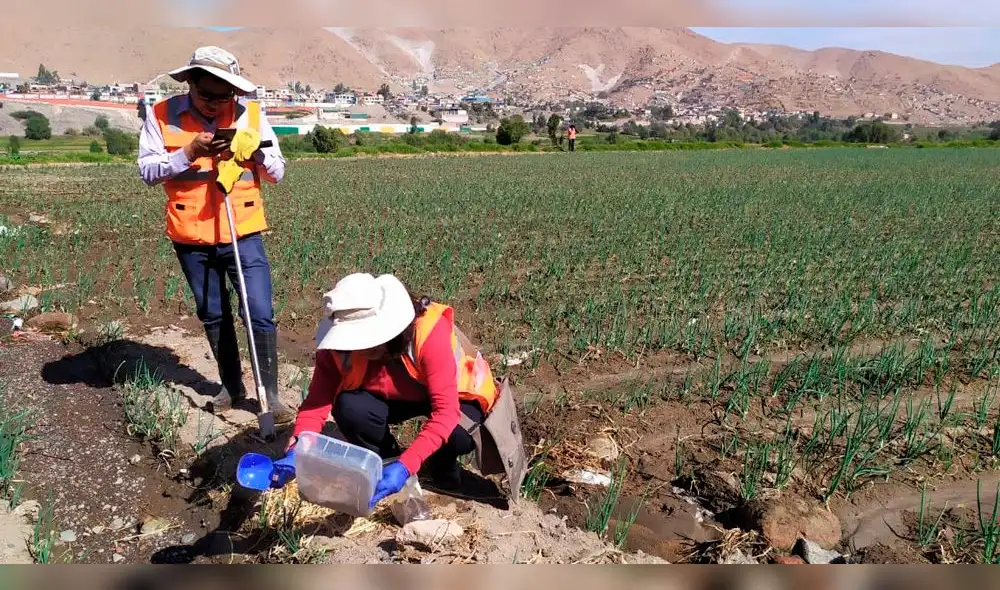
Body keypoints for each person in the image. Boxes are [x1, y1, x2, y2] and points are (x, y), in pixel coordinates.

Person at [136, 46, 294, 423]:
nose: (214, 104)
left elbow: (278, 172)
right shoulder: (162, 116)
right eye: (206, 95)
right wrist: (187, 152)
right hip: (191, 235)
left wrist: (256, 153)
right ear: (190, 83)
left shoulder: (252, 116)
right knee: (213, 313)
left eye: (224, 97)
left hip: (243, 230)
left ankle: (269, 395)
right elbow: (147, 171)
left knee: (258, 311)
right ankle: (231, 386)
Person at [284, 272, 526, 508]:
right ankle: (383, 458)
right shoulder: (336, 348)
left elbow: (446, 413)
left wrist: (407, 465)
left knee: (459, 435)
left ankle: (440, 464)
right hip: (393, 397)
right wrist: (299, 446)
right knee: (349, 407)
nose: (357, 348)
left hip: (455, 396)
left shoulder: (428, 334)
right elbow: (317, 402)